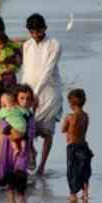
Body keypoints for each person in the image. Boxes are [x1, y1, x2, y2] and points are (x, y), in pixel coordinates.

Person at [19, 13, 63, 176]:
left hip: (49, 94)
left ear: (45, 28)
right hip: (29, 94)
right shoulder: (27, 45)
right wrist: (23, 92)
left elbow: (48, 70)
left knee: (47, 132)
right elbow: (25, 69)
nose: (36, 35)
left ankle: (42, 166)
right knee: (26, 129)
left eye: (39, 31)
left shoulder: (54, 44)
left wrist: (36, 93)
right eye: (32, 32)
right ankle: (32, 153)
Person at [0, 85, 36, 203]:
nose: (25, 102)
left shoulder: (29, 115)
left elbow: (31, 131)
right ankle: (11, 200)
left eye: (28, 99)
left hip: (23, 151)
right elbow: (2, 125)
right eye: (22, 98)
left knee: (21, 175)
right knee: (9, 175)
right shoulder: (10, 111)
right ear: (16, 99)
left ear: (32, 101)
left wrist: (28, 143)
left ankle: (21, 198)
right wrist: (13, 132)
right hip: (8, 148)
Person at [62, 88, 94, 203]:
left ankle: (73, 194)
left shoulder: (70, 116)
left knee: (72, 170)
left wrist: (68, 130)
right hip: (84, 146)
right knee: (84, 170)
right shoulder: (86, 116)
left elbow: (62, 129)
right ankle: (85, 193)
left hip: (73, 147)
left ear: (70, 103)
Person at [0, 85, 31, 158]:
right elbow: (27, 114)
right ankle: (23, 147)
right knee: (23, 138)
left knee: (10, 138)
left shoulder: (3, 110)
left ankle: (16, 148)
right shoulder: (18, 108)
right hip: (22, 128)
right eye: (22, 98)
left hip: (14, 128)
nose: (25, 102)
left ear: (3, 104)